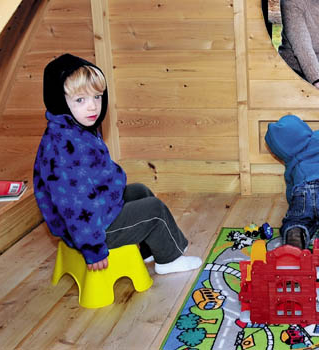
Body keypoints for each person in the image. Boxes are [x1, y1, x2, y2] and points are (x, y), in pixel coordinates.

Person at [33, 53, 202, 274]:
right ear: (59, 101)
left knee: (140, 191)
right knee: (154, 210)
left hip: (96, 212)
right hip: (90, 232)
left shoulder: (73, 129)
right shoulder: (63, 148)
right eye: (80, 100)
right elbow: (74, 206)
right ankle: (169, 259)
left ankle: (147, 248)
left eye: (97, 97)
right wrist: (93, 249)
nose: (92, 107)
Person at [264, 106, 319, 249]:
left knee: (297, 219)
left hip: (302, 190)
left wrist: (295, 204)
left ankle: (295, 231)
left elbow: (291, 187)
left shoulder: (291, 160)